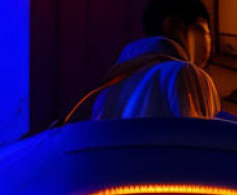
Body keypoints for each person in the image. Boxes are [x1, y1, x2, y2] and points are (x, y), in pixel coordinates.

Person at [86, 0, 221, 120]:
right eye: (203, 31)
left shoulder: (109, 87)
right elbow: (198, 140)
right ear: (174, 26)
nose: (209, 43)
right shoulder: (184, 73)